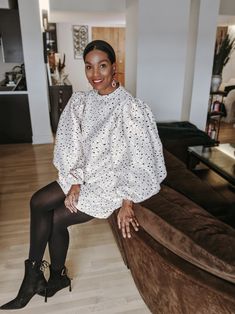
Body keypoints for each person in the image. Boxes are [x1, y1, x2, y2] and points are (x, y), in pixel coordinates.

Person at [0, 40, 166, 310]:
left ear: (114, 66)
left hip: (108, 185)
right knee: (38, 201)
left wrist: (127, 201)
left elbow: (137, 157)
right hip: (84, 175)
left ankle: (51, 278)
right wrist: (75, 181)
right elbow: (70, 142)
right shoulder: (82, 101)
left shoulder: (129, 108)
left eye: (102, 66)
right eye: (89, 67)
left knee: (54, 219)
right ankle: (37, 277)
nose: (95, 74)